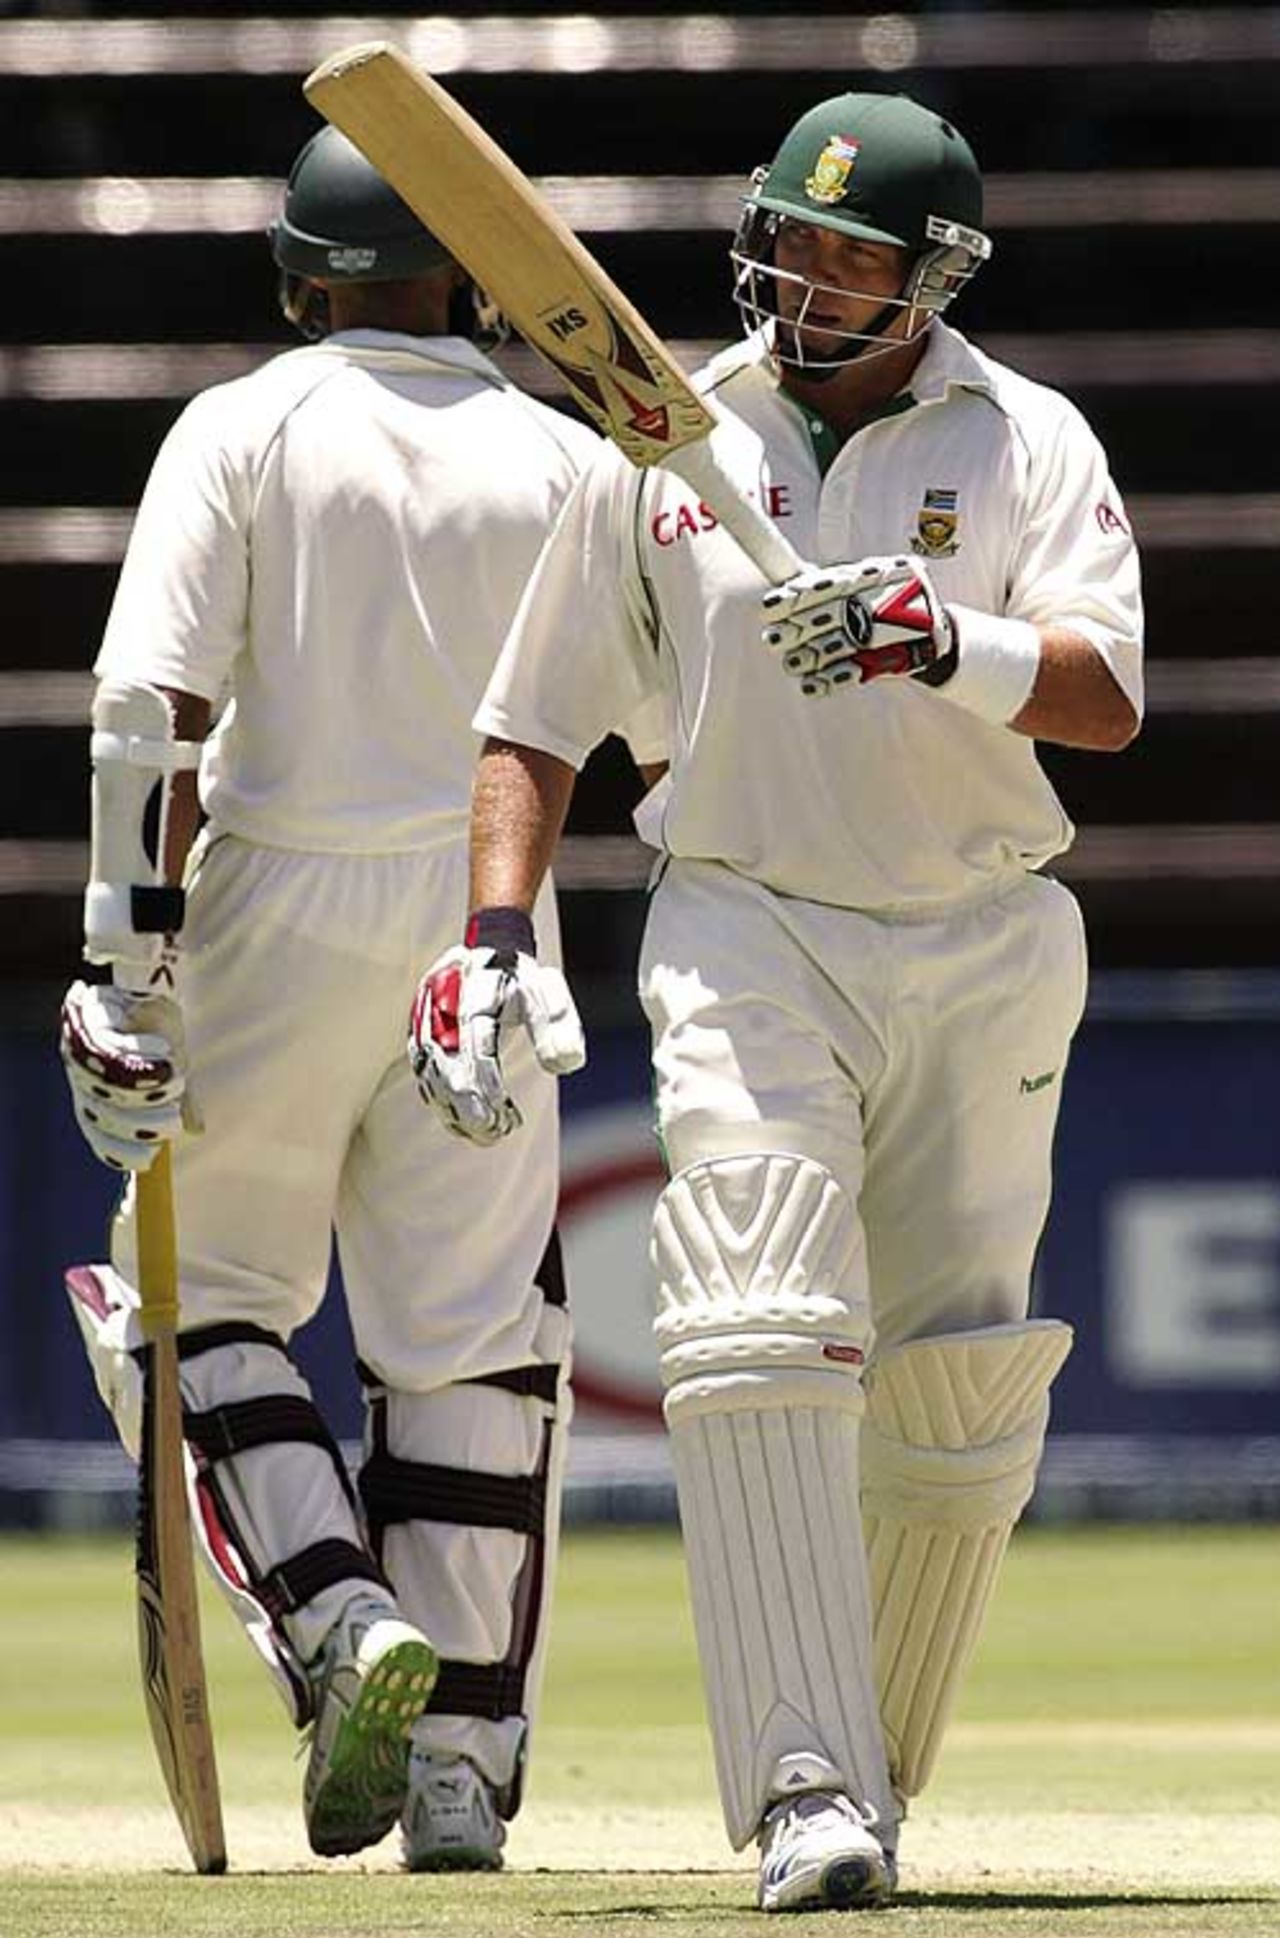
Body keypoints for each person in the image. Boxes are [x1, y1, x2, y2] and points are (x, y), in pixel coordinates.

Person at [408, 91, 1142, 1911]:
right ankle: (803, 1781)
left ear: (935, 276)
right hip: (745, 922)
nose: (805, 280)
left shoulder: (1029, 436)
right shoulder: (663, 444)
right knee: (753, 1314)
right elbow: (531, 723)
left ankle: (869, 1777)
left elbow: (1111, 695)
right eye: (789, 242)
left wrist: (932, 636)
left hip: (983, 935)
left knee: (955, 1406)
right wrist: (492, 940)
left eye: (850, 254)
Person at [58, 123, 617, 1870]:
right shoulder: (565, 455)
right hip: (487, 916)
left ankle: (333, 1608)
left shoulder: (243, 427)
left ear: (301, 279)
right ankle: (456, 1757)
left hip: (275, 909)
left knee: (193, 1310)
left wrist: (122, 973)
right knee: (472, 1349)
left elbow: (147, 719)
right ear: (473, 275)